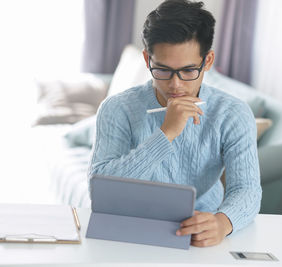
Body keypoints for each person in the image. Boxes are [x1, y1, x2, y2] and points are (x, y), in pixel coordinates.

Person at [88, 0, 262, 247]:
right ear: (147, 60)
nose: (176, 85)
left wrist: (223, 222)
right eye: (163, 70)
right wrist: (166, 133)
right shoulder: (117, 108)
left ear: (208, 61)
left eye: (189, 71)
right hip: (129, 230)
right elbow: (100, 191)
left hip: (197, 234)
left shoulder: (233, 113)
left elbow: (248, 190)